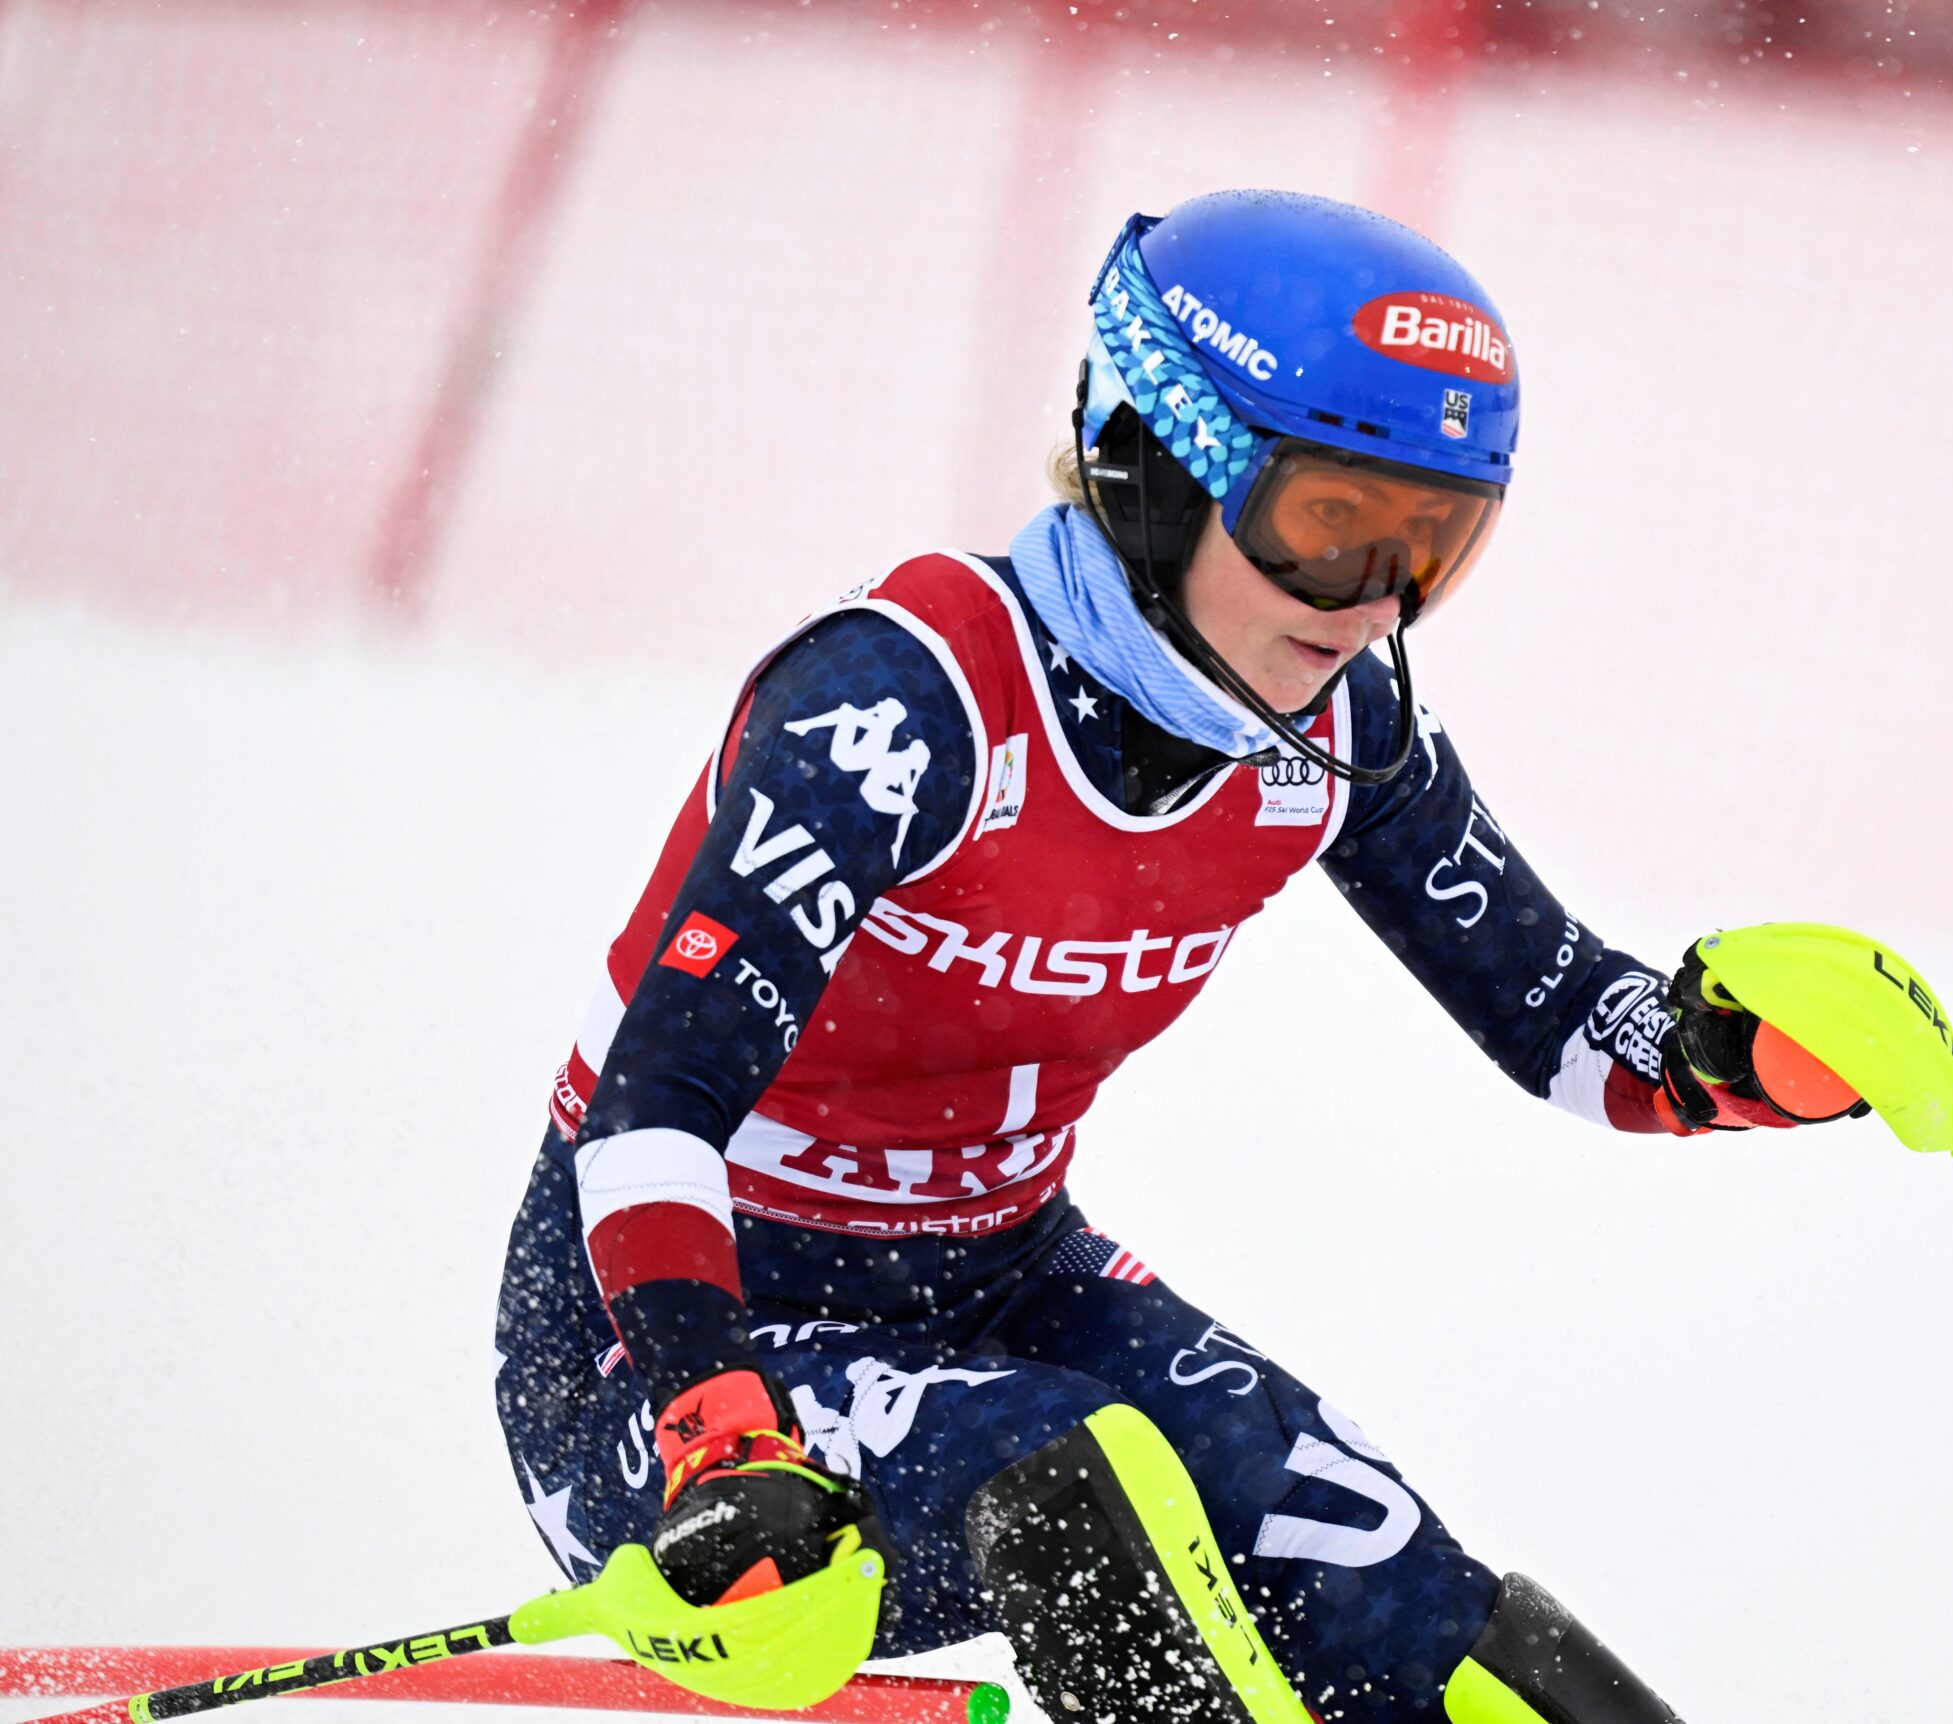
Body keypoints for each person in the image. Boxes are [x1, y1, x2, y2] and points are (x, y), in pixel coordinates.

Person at [493, 190, 1868, 1724]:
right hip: (672, 1345)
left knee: (1413, 1604)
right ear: (1155, 459)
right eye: (1329, 530)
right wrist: (714, 1426)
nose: (1373, 609)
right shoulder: (909, 703)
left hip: (1000, 1280)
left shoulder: (1334, 729)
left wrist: (1734, 1053)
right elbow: (653, 1110)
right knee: (1078, 1486)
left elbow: (1563, 1021)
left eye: (1435, 547)